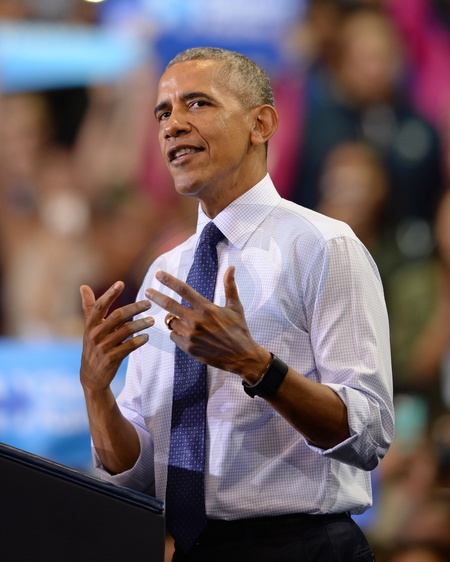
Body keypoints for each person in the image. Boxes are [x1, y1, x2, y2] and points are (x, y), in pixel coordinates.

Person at [79, 47, 394, 561]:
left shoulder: (323, 246)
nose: (172, 125)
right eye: (163, 112)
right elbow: (136, 473)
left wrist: (256, 366)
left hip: (301, 547)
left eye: (197, 103)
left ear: (260, 124)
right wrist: (96, 391)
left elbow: (369, 433)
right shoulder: (164, 271)